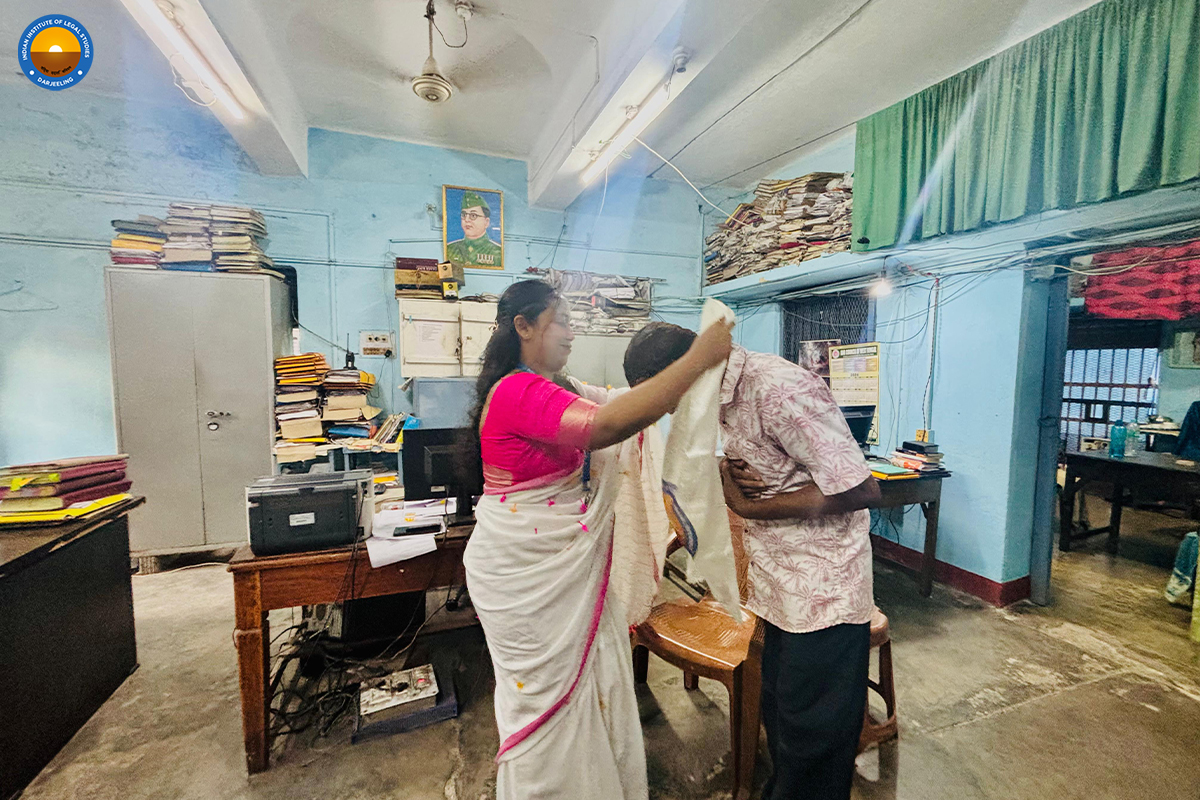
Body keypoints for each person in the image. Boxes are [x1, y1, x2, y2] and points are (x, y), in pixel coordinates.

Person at [462, 282, 732, 800]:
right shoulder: (518, 391)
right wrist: (699, 356)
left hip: (565, 574)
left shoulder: (556, 386)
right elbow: (607, 425)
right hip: (529, 576)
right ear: (524, 326)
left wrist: (684, 381)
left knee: (593, 686)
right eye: (560, 320)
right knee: (547, 706)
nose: (571, 331)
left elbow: (623, 403)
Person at [623, 322, 881, 800]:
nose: (664, 406)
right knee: (781, 715)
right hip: (777, 586)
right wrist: (725, 468)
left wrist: (750, 508)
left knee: (815, 734)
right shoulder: (718, 396)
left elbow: (860, 488)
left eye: (662, 392)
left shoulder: (778, 387)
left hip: (822, 592)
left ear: (683, 371)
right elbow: (771, 458)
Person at [446, 190, 503, 268]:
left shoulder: (498, 252)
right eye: (464, 215)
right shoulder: (450, 249)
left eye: (473, 215)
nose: (467, 219)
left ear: (486, 222)